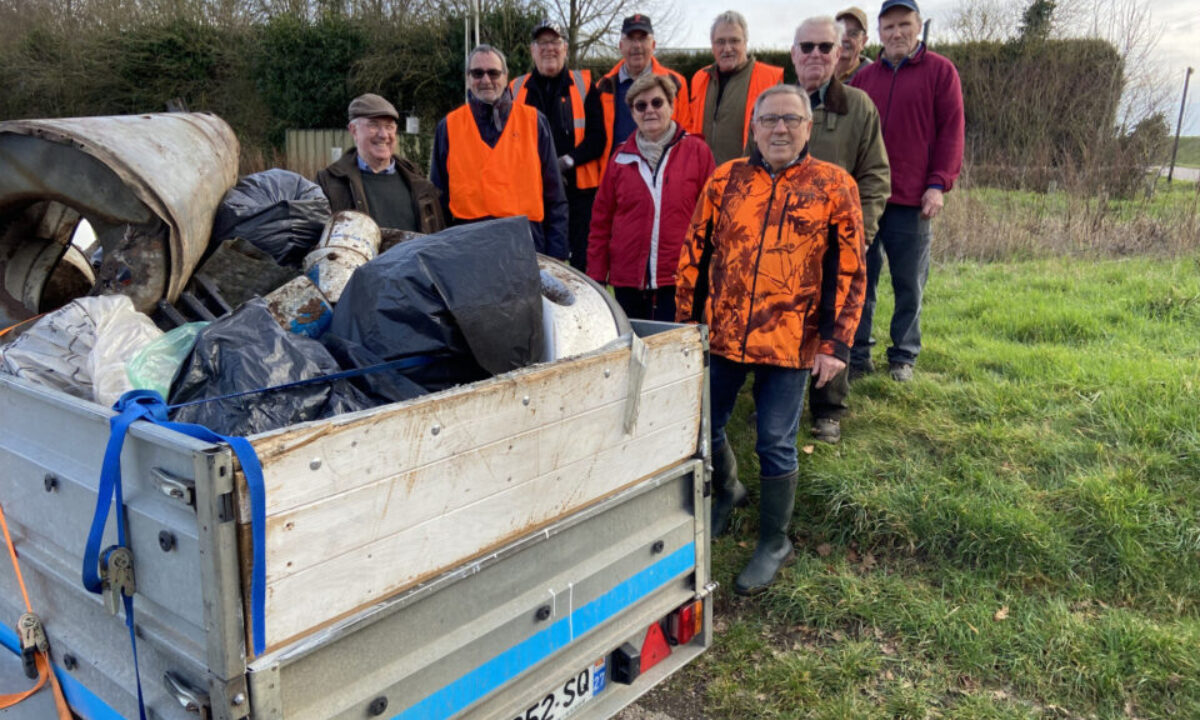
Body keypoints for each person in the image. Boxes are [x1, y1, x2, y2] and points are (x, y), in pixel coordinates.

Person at [676, 85, 866, 595]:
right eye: (769, 120)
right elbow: (694, 254)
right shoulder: (725, 179)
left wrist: (836, 344)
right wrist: (683, 329)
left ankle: (774, 540)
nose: (779, 129)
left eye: (791, 119)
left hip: (791, 340)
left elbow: (850, 271)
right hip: (722, 334)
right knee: (703, 426)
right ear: (753, 127)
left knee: (775, 442)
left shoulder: (834, 185)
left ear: (808, 127)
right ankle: (727, 490)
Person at [849, 0, 963, 382]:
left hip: (912, 199)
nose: (896, 33)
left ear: (917, 27)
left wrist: (938, 184)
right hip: (866, 198)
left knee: (909, 281)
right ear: (879, 33)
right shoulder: (864, 80)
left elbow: (951, 131)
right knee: (860, 281)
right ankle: (858, 353)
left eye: (904, 25)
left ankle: (903, 354)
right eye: (889, 27)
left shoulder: (940, 72)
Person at [792, 15, 891, 444]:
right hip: (786, 243)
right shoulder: (778, 102)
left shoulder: (858, 106)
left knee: (833, 323)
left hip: (838, 242)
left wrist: (862, 232)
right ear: (794, 54)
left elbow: (875, 175)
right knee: (787, 321)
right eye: (807, 47)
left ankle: (829, 408)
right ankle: (782, 397)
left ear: (840, 54)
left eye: (825, 48)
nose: (816, 55)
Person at [587, 74, 714, 321]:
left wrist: (710, 271)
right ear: (632, 113)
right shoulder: (619, 158)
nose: (649, 111)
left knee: (675, 353)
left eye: (657, 103)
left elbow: (713, 219)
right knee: (634, 353)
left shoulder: (697, 152)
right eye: (641, 105)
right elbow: (601, 223)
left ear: (671, 106)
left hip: (680, 279)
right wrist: (597, 277)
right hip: (628, 283)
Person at [430, 44, 568, 259]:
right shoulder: (448, 126)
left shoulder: (534, 121)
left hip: (525, 243)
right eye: (477, 73)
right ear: (467, 78)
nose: (486, 80)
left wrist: (557, 255)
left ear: (505, 77)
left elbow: (554, 195)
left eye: (493, 73)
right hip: (467, 245)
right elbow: (438, 198)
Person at [511, 20, 601, 272]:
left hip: (578, 195)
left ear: (565, 48)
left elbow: (598, 138)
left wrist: (565, 162)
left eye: (554, 42)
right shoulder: (515, 89)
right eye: (542, 42)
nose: (548, 48)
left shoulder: (584, 84)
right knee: (533, 265)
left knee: (581, 269)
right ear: (532, 49)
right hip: (530, 195)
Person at [572, 14, 690, 189]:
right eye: (630, 39)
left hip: (664, 181)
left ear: (653, 45)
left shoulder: (675, 83)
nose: (637, 46)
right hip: (617, 182)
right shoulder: (603, 86)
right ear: (621, 46)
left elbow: (687, 132)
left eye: (643, 39)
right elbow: (597, 139)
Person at [317, 93, 445, 234]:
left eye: (389, 127)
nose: (383, 134)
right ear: (353, 131)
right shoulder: (329, 184)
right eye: (373, 125)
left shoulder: (419, 184)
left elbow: (437, 241)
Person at [686, 11, 783, 165]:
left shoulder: (770, 79)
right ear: (712, 45)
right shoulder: (700, 78)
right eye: (720, 42)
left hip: (749, 178)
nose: (727, 48)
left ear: (745, 42)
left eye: (734, 41)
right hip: (705, 177)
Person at [835, 7, 872, 82]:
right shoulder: (821, 73)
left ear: (863, 42)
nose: (844, 38)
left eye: (853, 34)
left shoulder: (872, 79)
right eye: (840, 32)